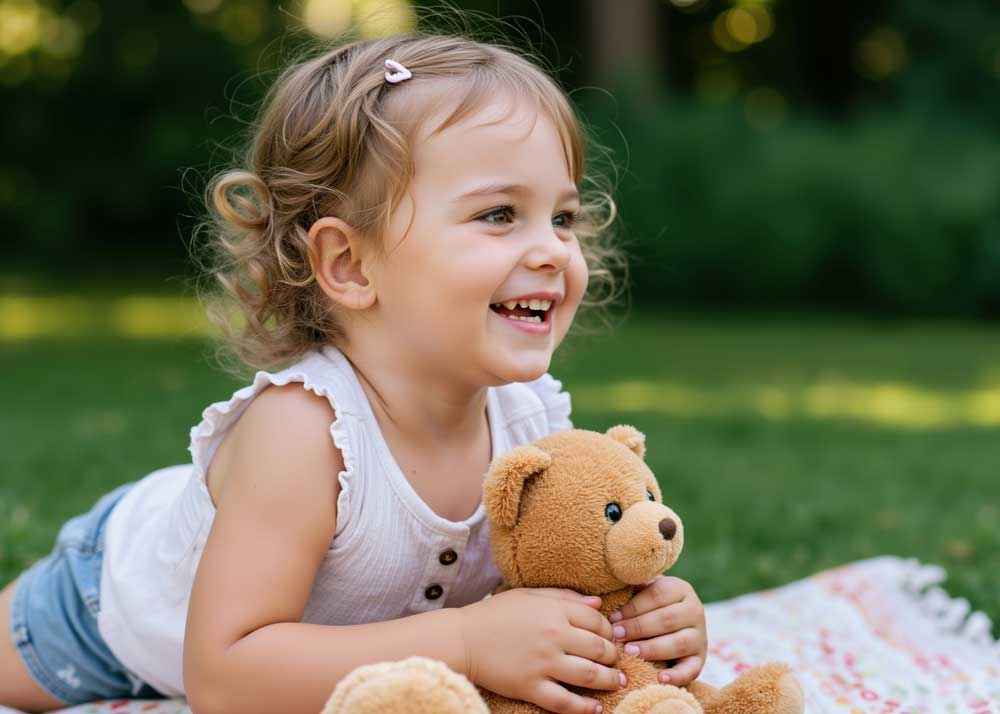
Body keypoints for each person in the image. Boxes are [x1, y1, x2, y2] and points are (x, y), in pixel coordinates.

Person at [0, 30, 708, 714]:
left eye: (562, 216)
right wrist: (465, 642)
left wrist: (645, 621)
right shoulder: (302, 435)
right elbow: (221, 679)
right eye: (499, 214)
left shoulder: (533, 420)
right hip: (96, 608)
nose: (554, 249)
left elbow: (556, 582)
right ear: (349, 264)